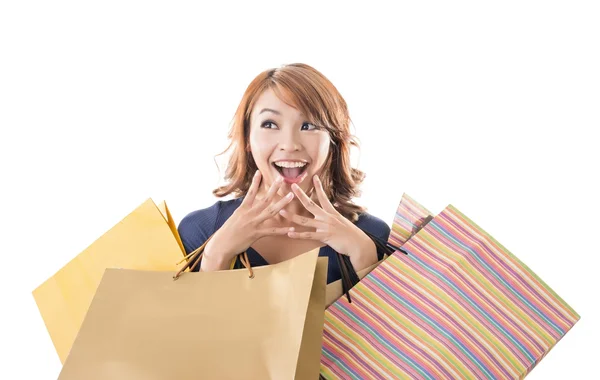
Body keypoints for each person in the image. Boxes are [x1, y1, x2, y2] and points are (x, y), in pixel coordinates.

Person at [177, 63, 390, 284]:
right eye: (270, 124)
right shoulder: (200, 229)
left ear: (333, 141)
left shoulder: (372, 235)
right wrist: (215, 256)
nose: (289, 145)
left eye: (308, 125)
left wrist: (365, 257)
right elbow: (177, 318)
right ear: (247, 137)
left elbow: (391, 318)